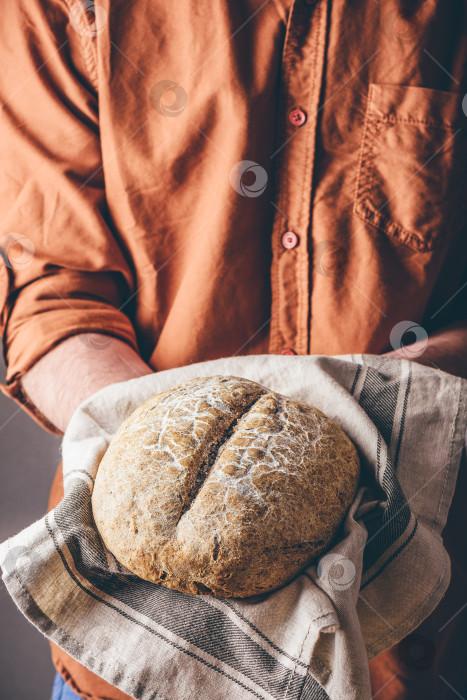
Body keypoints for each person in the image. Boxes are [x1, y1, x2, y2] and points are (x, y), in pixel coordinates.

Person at [0, 1, 466, 698]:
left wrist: (391, 398)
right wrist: (157, 445)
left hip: (402, 642)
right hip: (133, 655)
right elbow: (52, 287)